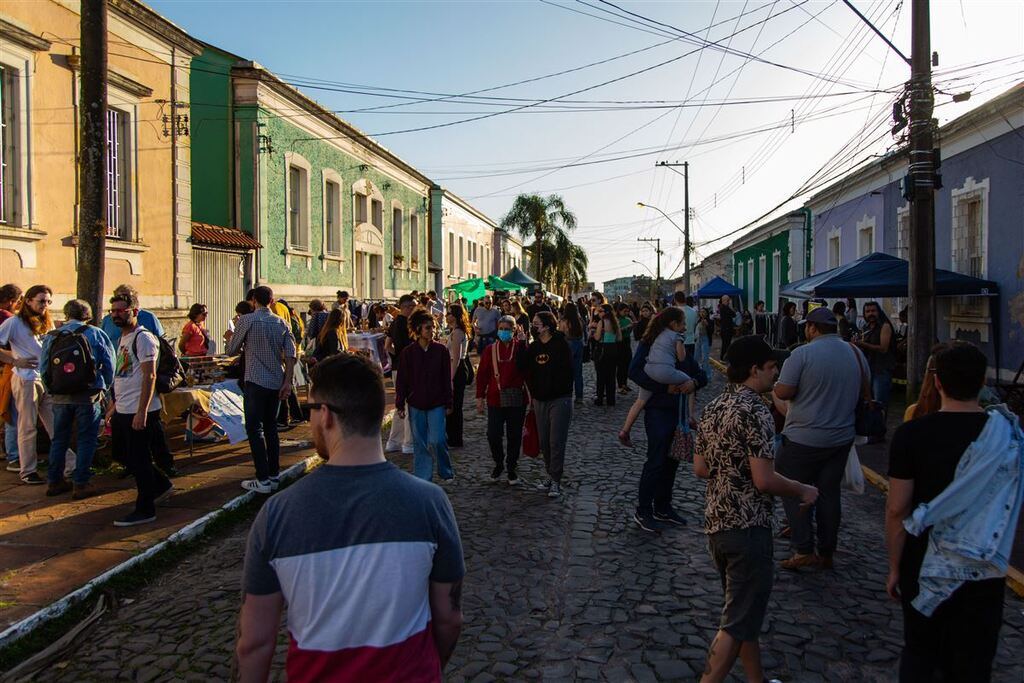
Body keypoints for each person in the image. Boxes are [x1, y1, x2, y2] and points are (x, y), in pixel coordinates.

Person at [236, 353, 464, 682]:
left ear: (326, 415)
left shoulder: (277, 514)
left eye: (310, 410)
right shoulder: (431, 504)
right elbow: (449, 618)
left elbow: (254, 644)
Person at [886, 341, 1023, 682]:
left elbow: (897, 509)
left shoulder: (912, 434)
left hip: (924, 561)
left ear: (937, 382)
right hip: (984, 563)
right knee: (973, 661)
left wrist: (895, 566)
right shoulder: (1007, 436)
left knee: (920, 651)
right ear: (982, 382)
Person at [693, 335, 818, 683]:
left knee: (741, 612)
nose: (776, 373)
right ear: (754, 369)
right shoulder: (756, 411)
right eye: (771, 366)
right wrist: (801, 489)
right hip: (748, 526)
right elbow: (764, 479)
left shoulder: (714, 407)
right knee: (736, 622)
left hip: (717, 522)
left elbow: (700, 469)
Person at [772, 307, 863, 570]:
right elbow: (864, 389)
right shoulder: (856, 353)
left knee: (792, 490)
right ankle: (826, 550)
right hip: (841, 437)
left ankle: (803, 548)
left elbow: (784, 391)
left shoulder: (802, 354)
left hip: (803, 437)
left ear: (812, 328)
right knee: (829, 494)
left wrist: (776, 386)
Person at [107, 292, 173, 526]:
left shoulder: (143, 338)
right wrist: (114, 406)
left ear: (134, 312)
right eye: (113, 311)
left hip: (140, 409)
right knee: (123, 455)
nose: (115, 315)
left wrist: (142, 411)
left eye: (121, 311)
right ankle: (161, 484)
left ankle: (145, 508)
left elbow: (149, 376)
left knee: (140, 459)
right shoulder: (122, 339)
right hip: (124, 408)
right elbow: (123, 375)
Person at [40, 300, 114, 499]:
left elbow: (44, 367)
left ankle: (55, 481)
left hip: (60, 396)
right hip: (87, 395)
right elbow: (109, 364)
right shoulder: (96, 333)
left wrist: (51, 389)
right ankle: (81, 483)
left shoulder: (52, 336)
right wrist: (105, 387)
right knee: (86, 438)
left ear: (66, 314)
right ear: (88, 315)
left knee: (59, 439)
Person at [226, 286, 297, 494]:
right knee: (271, 427)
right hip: (276, 381)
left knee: (254, 429)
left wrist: (231, 337)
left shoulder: (246, 320)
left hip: (255, 380)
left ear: (254, 300)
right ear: (272, 301)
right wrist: (287, 382)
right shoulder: (281, 322)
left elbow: (231, 350)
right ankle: (274, 475)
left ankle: (262, 478)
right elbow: (291, 354)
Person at [0, 285, 71, 485]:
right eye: (41, 301)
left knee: (56, 425)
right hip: (26, 379)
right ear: (28, 301)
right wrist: (14, 360)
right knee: (28, 427)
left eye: (48, 301)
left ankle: (71, 465)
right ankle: (28, 471)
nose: (45, 305)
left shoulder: (46, 321)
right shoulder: (14, 322)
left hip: (46, 379)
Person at [618, 307, 692, 447]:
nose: (685, 326)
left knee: (640, 402)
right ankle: (690, 416)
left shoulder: (654, 335)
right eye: (683, 323)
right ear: (673, 323)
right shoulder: (676, 336)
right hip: (663, 378)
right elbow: (682, 358)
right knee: (689, 382)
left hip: (650, 371)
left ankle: (625, 430)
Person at [396, 309, 453, 482]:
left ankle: (445, 470)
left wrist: (449, 401)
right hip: (416, 402)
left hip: (437, 402)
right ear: (418, 329)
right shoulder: (408, 353)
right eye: (428, 328)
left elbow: (446, 378)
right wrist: (400, 403)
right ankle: (423, 476)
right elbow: (402, 380)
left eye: (433, 327)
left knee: (438, 439)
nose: (432, 331)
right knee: (420, 443)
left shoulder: (441, 350)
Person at [520, 311, 573, 497]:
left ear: (547, 326)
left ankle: (556, 480)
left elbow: (568, 371)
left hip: (559, 398)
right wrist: (521, 344)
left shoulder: (561, 344)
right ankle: (550, 474)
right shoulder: (534, 347)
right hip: (539, 399)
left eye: (537, 324)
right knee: (544, 442)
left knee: (556, 441)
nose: (534, 326)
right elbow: (523, 367)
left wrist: (556, 387)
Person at [476, 315, 528, 485]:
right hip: (495, 398)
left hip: (516, 398)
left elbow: (527, 369)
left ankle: (512, 467)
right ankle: (499, 462)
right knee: (493, 434)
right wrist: (479, 396)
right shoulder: (490, 350)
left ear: (514, 330)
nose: (504, 332)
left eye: (507, 329)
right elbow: (482, 374)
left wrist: (523, 343)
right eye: (501, 329)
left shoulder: (520, 347)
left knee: (514, 435)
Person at [385, 295, 416, 454]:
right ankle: (408, 442)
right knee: (410, 404)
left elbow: (387, 346)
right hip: (409, 367)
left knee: (400, 403)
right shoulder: (409, 324)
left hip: (397, 367)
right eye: (413, 306)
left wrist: (397, 356)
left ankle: (394, 441)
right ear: (406, 307)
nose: (414, 308)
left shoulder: (394, 322)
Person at [854, 300, 896, 417]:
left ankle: (880, 426)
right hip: (868, 369)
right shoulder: (866, 327)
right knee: (868, 402)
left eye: (873, 311)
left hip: (881, 369)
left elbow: (883, 348)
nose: (870, 314)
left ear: (878, 312)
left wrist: (863, 344)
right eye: (867, 311)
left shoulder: (885, 326)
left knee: (880, 403)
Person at [0, 283, 22, 473]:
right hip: (7, 370)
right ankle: (14, 457)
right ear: (11, 301)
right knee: (12, 414)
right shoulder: (8, 318)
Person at [446, 304, 472, 449]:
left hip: (456, 368)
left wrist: (451, 378)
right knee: (452, 404)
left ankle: (454, 439)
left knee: (455, 405)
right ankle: (452, 437)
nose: (446, 316)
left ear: (455, 316)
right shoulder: (455, 331)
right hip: (455, 367)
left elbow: (455, 357)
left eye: (449, 313)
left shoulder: (457, 332)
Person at [590, 304, 621, 407]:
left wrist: (593, 333)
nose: (598, 313)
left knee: (601, 376)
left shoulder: (602, 322)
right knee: (611, 376)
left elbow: (597, 337)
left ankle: (600, 399)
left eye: (600, 311)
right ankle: (611, 399)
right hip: (613, 349)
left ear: (606, 312)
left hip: (602, 349)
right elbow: (619, 338)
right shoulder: (615, 322)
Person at [558, 302, 585, 405]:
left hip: (568, 344)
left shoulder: (564, 321)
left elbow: (561, 333)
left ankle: (567, 394)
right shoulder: (579, 320)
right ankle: (579, 397)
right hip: (579, 343)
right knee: (578, 373)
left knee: (566, 371)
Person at [615, 303, 634, 395]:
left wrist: (630, 327)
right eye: (624, 311)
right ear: (619, 311)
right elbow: (616, 332)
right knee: (621, 365)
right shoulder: (617, 320)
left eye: (627, 311)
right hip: (619, 343)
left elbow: (630, 331)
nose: (626, 313)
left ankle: (625, 383)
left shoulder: (628, 319)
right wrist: (625, 328)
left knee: (627, 363)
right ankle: (620, 385)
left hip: (627, 341)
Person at [717, 295, 736, 360]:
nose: (729, 302)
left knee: (727, 344)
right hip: (726, 329)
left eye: (729, 300)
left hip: (727, 329)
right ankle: (722, 358)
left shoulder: (724, 307)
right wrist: (731, 308)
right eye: (727, 301)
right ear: (723, 301)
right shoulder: (723, 307)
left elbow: (733, 314)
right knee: (725, 344)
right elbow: (733, 314)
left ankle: (725, 357)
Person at [696, 307, 712, 379]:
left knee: (705, 358)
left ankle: (707, 375)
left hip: (705, 339)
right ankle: (698, 373)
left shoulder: (710, 321)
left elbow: (711, 331)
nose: (702, 313)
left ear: (707, 313)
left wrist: (707, 325)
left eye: (704, 312)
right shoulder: (698, 321)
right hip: (698, 340)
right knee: (696, 357)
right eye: (701, 312)